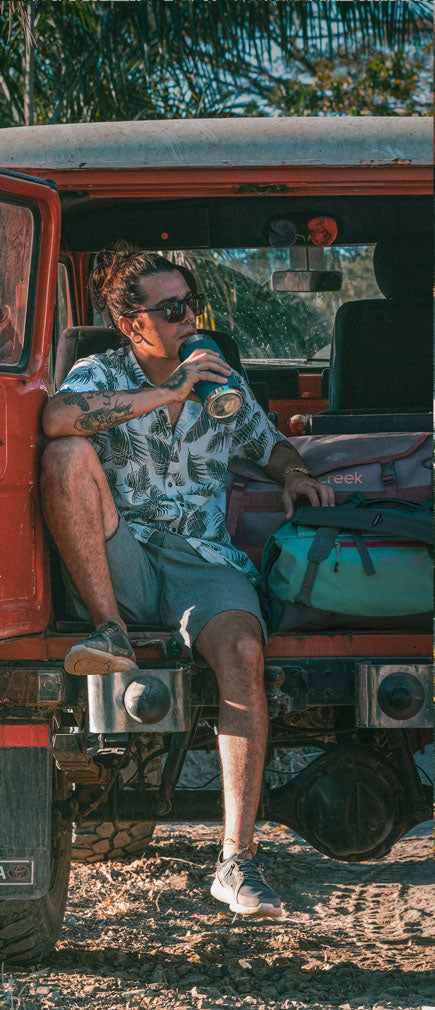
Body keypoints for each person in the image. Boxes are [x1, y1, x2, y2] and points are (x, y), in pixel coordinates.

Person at [40, 242, 334, 919]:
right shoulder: (99, 372)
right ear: (130, 322)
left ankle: (235, 860)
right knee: (67, 456)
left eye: (190, 306)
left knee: (243, 651)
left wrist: (291, 472)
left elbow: (269, 442)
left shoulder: (220, 382)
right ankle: (110, 632)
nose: (186, 320)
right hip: (126, 558)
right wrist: (167, 390)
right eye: (170, 309)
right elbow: (56, 421)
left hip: (204, 558)